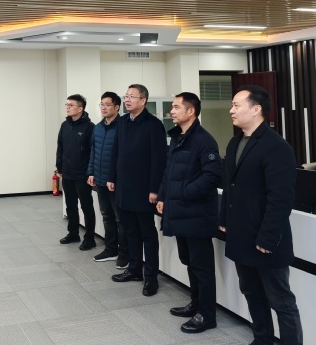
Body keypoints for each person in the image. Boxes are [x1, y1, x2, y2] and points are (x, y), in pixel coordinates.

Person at [219, 85, 303, 345]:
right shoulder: (235, 142)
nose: (231, 110)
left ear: (256, 109)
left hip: (265, 239)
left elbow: (281, 198)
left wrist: (267, 237)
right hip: (241, 234)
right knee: (252, 293)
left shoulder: (276, 146)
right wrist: (223, 219)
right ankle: (262, 339)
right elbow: (230, 187)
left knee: (281, 301)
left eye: (237, 105)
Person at [157, 92, 221, 333]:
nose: (171, 111)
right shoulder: (178, 137)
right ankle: (196, 304)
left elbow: (212, 175)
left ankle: (207, 315)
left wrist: (184, 193)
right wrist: (163, 196)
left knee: (202, 267)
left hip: (197, 213)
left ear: (191, 110)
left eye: (176, 107)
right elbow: (168, 171)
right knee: (189, 262)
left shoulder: (204, 140)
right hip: (180, 211)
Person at [108, 84, 166, 296]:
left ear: (143, 100)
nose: (127, 100)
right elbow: (116, 151)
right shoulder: (122, 122)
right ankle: (134, 270)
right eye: (126, 96)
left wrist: (155, 189)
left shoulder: (154, 125)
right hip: (124, 186)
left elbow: (159, 160)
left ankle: (151, 277)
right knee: (130, 231)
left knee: (147, 234)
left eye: (132, 96)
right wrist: (112, 177)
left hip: (144, 189)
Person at [87, 91, 128, 267]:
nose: (103, 107)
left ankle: (124, 254)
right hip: (100, 180)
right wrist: (91, 172)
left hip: (116, 182)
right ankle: (110, 249)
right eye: (101, 104)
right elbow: (93, 152)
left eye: (107, 104)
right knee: (106, 216)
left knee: (121, 219)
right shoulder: (98, 128)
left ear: (117, 107)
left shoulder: (123, 126)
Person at [56, 94, 96, 250]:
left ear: (80, 108)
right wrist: (59, 167)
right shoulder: (64, 125)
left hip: (82, 175)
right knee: (70, 206)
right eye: (66, 105)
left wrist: (90, 172)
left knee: (86, 207)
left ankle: (90, 238)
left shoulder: (89, 127)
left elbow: (92, 152)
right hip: (67, 173)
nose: (67, 107)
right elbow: (60, 148)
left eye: (71, 105)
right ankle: (73, 233)